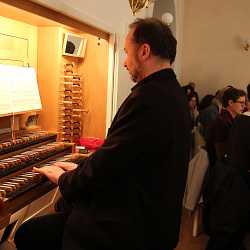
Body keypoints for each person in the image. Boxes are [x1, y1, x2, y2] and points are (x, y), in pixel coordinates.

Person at [14, 18, 191, 250]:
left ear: (145, 51)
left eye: (127, 53)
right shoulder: (173, 94)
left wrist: (64, 178)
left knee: (29, 234)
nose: (125, 63)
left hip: (127, 230)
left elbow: (109, 164)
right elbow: (128, 157)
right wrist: (80, 168)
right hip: (151, 219)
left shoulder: (149, 99)